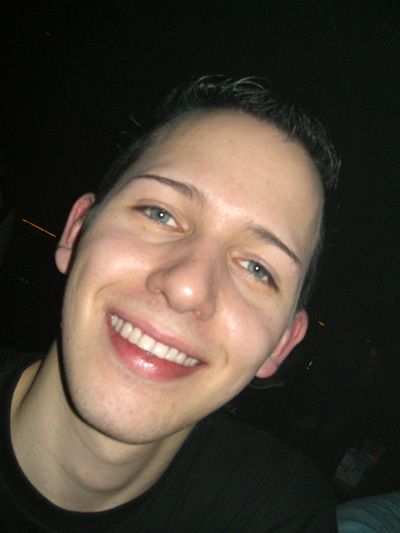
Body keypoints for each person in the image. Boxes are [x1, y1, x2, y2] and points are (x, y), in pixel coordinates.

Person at [0, 76, 340, 531]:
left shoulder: (278, 512)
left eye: (257, 268)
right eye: (160, 214)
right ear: (77, 231)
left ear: (281, 343)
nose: (187, 288)